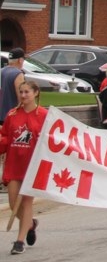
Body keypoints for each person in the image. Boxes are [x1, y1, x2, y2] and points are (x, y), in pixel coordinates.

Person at [0, 81, 47, 254]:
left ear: (35, 93)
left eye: (27, 92)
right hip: (14, 164)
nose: (23, 95)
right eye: (21, 92)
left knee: (26, 203)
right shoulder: (12, 115)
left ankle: (19, 242)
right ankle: (30, 224)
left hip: (32, 166)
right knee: (14, 204)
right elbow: (4, 137)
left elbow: (52, 140)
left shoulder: (43, 115)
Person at [0, 49, 27, 123]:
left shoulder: (1, 71)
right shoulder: (18, 74)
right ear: (20, 60)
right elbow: (21, 97)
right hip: (11, 116)